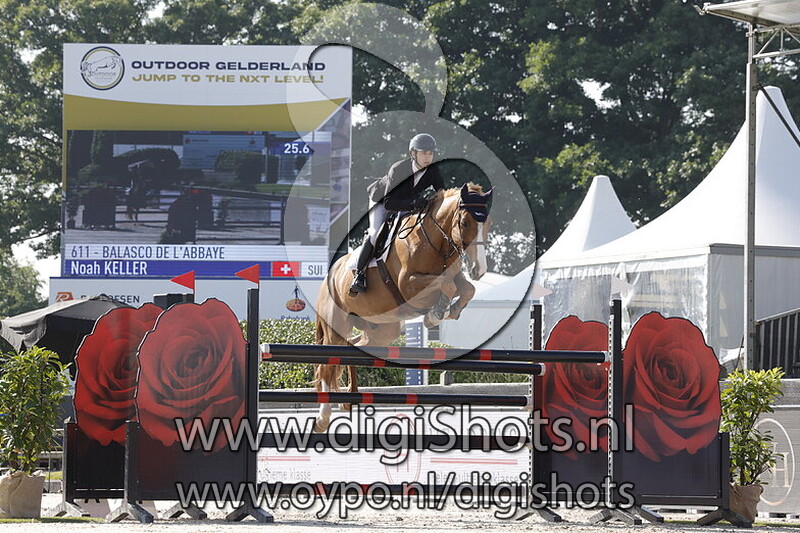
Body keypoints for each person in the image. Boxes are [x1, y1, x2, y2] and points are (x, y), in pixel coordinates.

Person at [349, 133, 445, 295]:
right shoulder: (399, 169)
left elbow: (443, 194)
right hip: (382, 201)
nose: (427, 157)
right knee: (374, 233)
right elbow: (389, 203)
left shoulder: (433, 171)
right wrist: (414, 203)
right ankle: (359, 276)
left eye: (430, 153)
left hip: (407, 202)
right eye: (423, 153)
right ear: (413, 154)